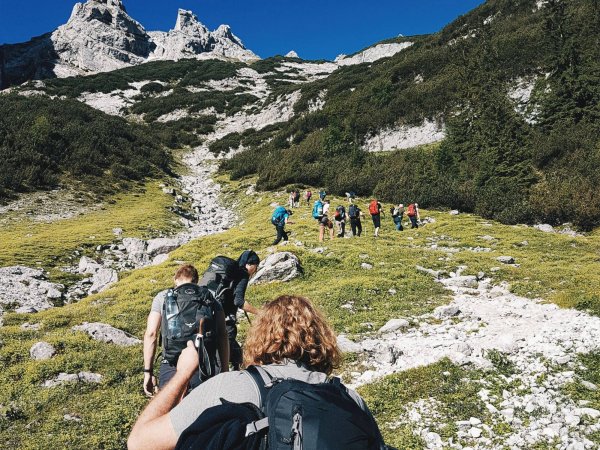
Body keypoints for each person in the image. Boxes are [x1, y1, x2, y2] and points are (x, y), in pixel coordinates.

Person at [128, 295, 385, 450]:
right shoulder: (350, 399)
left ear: (260, 335)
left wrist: (183, 374)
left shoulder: (233, 386)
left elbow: (139, 443)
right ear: (322, 338)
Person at [142, 265, 229, 396]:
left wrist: (147, 372)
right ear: (196, 281)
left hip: (171, 362)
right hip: (202, 363)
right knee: (202, 410)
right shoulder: (209, 296)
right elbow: (223, 334)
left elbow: (151, 334)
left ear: (175, 279)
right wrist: (224, 369)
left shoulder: (163, 297)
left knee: (169, 408)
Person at [199, 251, 261, 371]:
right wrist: (260, 313)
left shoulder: (227, 274)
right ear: (251, 264)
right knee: (226, 355)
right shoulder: (242, 274)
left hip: (207, 315)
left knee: (229, 352)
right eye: (256, 266)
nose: (256, 269)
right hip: (226, 322)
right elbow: (239, 301)